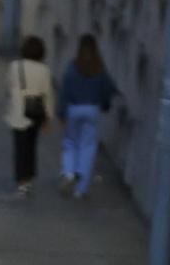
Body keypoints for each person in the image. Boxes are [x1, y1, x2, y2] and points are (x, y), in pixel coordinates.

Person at [56, 33, 117, 199]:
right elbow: (109, 89)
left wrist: (61, 112)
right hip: (92, 110)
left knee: (70, 143)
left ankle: (68, 172)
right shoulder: (99, 69)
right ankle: (80, 187)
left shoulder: (73, 67)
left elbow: (65, 91)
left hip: (74, 109)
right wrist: (105, 104)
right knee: (88, 147)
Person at [6, 34, 53, 195]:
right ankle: (29, 177)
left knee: (19, 148)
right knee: (31, 147)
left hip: (18, 112)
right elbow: (47, 94)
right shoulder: (44, 70)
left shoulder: (15, 66)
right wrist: (48, 118)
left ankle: (21, 180)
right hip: (35, 113)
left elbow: (9, 87)